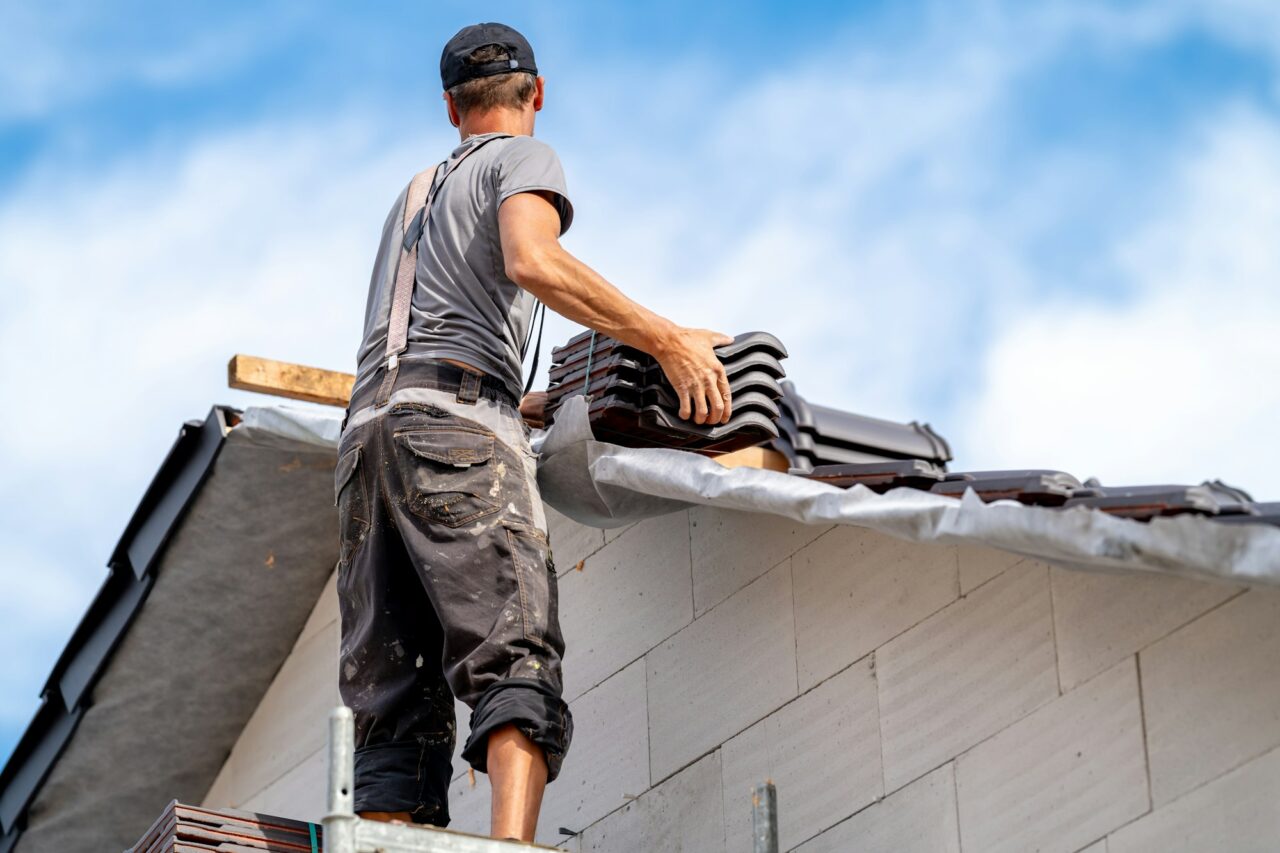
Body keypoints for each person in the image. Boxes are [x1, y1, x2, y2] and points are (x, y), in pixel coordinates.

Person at [334, 21, 733, 843]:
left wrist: (528, 399)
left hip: (368, 441)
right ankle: (512, 846)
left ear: (451, 107)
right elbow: (532, 261)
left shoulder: (411, 194)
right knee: (512, 651)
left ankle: (385, 839)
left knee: (393, 689)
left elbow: (425, 341)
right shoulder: (523, 159)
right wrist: (667, 339)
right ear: (537, 94)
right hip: (455, 431)